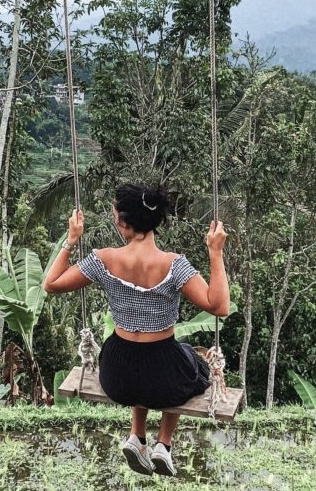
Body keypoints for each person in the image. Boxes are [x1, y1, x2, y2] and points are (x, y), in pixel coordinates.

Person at [43, 183, 230, 477]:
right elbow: (219, 306)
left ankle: (137, 436)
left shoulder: (104, 259)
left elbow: (51, 284)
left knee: (142, 360)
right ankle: (163, 445)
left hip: (117, 377)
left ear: (123, 223)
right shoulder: (174, 266)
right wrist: (215, 253)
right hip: (163, 378)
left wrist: (71, 239)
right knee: (191, 359)